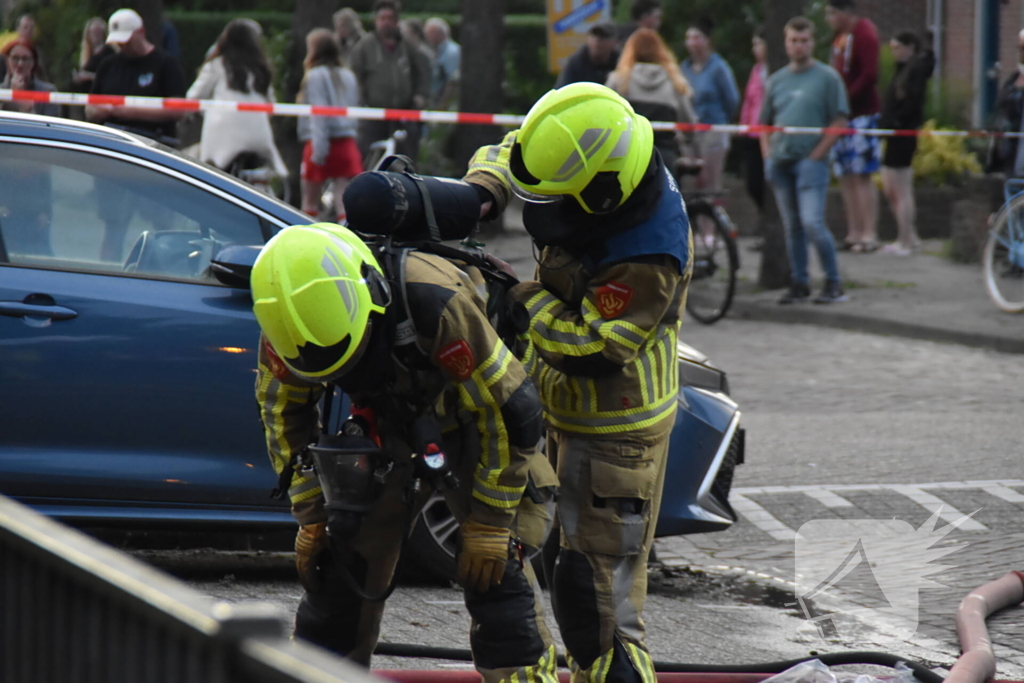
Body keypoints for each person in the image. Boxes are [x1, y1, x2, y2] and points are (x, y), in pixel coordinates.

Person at [251, 221, 559, 681]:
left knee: (496, 582)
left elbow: (507, 411)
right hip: (386, 428)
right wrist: (311, 514)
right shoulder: (289, 325)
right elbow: (283, 413)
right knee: (339, 581)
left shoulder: (436, 302)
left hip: (475, 425)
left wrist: (491, 524)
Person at [463, 81, 692, 683]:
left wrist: (527, 300)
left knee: (600, 614)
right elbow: (518, 153)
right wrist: (480, 189)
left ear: (603, 192)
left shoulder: (646, 255)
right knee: (564, 570)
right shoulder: (595, 140)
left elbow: (599, 346)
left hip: (618, 430)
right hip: (568, 414)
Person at [761, 17, 849, 305]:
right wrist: (767, 156)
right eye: (793, 41)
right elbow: (764, 123)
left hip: (811, 161)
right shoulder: (776, 81)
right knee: (792, 226)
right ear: (786, 44)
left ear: (812, 42)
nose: (799, 46)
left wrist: (817, 153)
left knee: (812, 222)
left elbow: (839, 119)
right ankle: (799, 281)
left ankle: (833, 281)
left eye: (804, 40)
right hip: (781, 159)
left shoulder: (827, 78)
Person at [185, 19, 286, 179]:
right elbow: (271, 105)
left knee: (212, 173)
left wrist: (200, 111)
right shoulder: (260, 69)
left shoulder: (217, 65)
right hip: (258, 135)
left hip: (223, 136)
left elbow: (193, 97)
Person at [826, 0, 881, 253]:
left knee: (861, 174)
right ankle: (854, 232)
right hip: (841, 118)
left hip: (861, 114)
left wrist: (845, 98)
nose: (829, 19)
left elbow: (869, 74)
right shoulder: (840, 38)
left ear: (846, 12)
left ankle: (869, 232)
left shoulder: (864, 33)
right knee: (846, 175)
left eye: (832, 13)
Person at [87, 8, 187, 144]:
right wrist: (97, 111)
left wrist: (133, 111)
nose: (122, 46)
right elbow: (90, 106)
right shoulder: (107, 65)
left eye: (127, 41)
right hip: (112, 142)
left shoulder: (165, 64)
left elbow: (179, 109)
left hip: (153, 143)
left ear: (141, 32)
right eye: (119, 42)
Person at [348, 0, 431, 162]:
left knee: (405, 157)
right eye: (382, 18)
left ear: (396, 21)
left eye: (390, 18)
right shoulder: (365, 46)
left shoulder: (408, 46)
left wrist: (421, 95)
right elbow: (354, 74)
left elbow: (423, 72)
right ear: (375, 21)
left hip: (403, 113)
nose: (386, 22)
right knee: (370, 158)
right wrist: (361, 100)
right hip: (374, 115)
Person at [606, 28, 696, 170]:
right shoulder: (676, 83)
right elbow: (689, 125)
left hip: (628, 157)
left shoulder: (618, 80)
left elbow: (606, 118)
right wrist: (687, 140)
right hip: (665, 156)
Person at [296, 29, 363, 221]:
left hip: (319, 140)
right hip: (345, 141)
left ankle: (306, 235)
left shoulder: (315, 75)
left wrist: (319, 150)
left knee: (309, 200)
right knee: (343, 200)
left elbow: (319, 113)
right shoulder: (348, 75)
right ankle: (347, 235)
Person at [878, 31, 933, 256]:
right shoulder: (901, 71)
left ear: (909, 47)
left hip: (903, 134)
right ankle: (908, 235)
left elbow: (913, 102)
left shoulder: (916, 71)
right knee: (891, 187)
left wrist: (897, 120)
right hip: (893, 133)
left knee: (901, 188)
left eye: (897, 48)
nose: (894, 53)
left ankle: (906, 240)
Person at [681, 17, 740, 195]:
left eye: (696, 37)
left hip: (713, 129)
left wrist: (719, 122)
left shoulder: (718, 68)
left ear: (707, 40)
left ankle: (712, 222)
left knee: (709, 183)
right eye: (689, 38)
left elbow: (732, 99)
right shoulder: (684, 68)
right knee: (690, 183)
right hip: (689, 131)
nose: (692, 42)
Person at [739, 28, 769, 221]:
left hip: (767, 135)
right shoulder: (756, 70)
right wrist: (743, 126)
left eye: (758, 44)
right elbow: (749, 101)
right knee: (753, 184)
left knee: (767, 185)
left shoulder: (773, 71)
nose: (754, 49)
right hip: (752, 135)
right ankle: (765, 222)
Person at [988, 29, 1024, 178]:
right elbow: (1001, 106)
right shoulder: (1013, 78)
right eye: (1020, 49)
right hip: (1010, 150)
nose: (1021, 53)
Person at [0, 41, 58, 117]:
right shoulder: (1, 90)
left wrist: (28, 109)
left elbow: (50, 126)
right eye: (15, 58)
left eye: (25, 59)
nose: (20, 64)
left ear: (33, 62)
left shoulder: (48, 91)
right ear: (7, 61)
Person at [555, 22, 619, 88]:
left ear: (615, 42)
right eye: (594, 35)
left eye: (603, 36)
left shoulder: (621, 61)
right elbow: (561, 89)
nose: (597, 40)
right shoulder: (576, 62)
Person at [72, 18, 115, 94]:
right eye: (93, 33)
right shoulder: (88, 54)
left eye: (98, 33)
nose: (95, 36)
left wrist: (89, 76)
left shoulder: (109, 52)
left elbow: (111, 76)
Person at [425, 17, 460, 109]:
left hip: (447, 107)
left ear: (440, 34)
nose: (426, 37)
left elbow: (453, 83)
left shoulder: (452, 53)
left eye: (429, 33)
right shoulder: (437, 51)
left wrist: (442, 106)